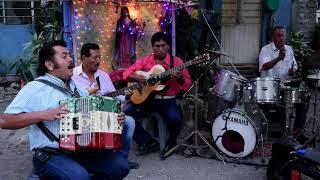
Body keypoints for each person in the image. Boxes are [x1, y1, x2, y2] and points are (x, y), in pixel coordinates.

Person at [0, 40, 130, 179]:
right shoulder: (35, 88)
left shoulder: (77, 89)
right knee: (79, 177)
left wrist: (114, 118)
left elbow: (91, 118)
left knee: (120, 167)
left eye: (69, 55)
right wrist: (44, 114)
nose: (70, 59)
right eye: (64, 56)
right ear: (49, 64)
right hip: (50, 156)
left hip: (80, 151)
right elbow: (4, 121)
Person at [123, 32, 193, 159]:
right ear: (152, 47)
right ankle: (147, 141)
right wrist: (138, 78)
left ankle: (171, 142)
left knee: (175, 119)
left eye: (163, 45)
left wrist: (180, 79)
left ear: (168, 47)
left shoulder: (176, 62)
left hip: (167, 100)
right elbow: (126, 73)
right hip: (146, 99)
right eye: (157, 46)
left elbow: (188, 85)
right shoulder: (146, 61)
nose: (160, 49)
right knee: (125, 116)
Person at [72, 43, 139, 169]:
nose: (98, 61)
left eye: (99, 57)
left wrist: (126, 96)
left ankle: (121, 160)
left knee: (129, 122)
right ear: (84, 58)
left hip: (105, 113)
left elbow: (114, 96)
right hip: (84, 116)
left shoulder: (103, 76)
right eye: (94, 58)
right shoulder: (73, 76)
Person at [259, 25, 307, 141]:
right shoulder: (266, 49)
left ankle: (297, 133)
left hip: (285, 87)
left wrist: (292, 71)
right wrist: (278, 58)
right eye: (278, 35)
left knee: (302, 102)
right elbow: (264, 66)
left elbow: (294, 67)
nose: (281, 38)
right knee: (277, 108)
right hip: (269, 88)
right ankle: (273, 134)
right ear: (273, 37)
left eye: (283, 35)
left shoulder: (289, 49)